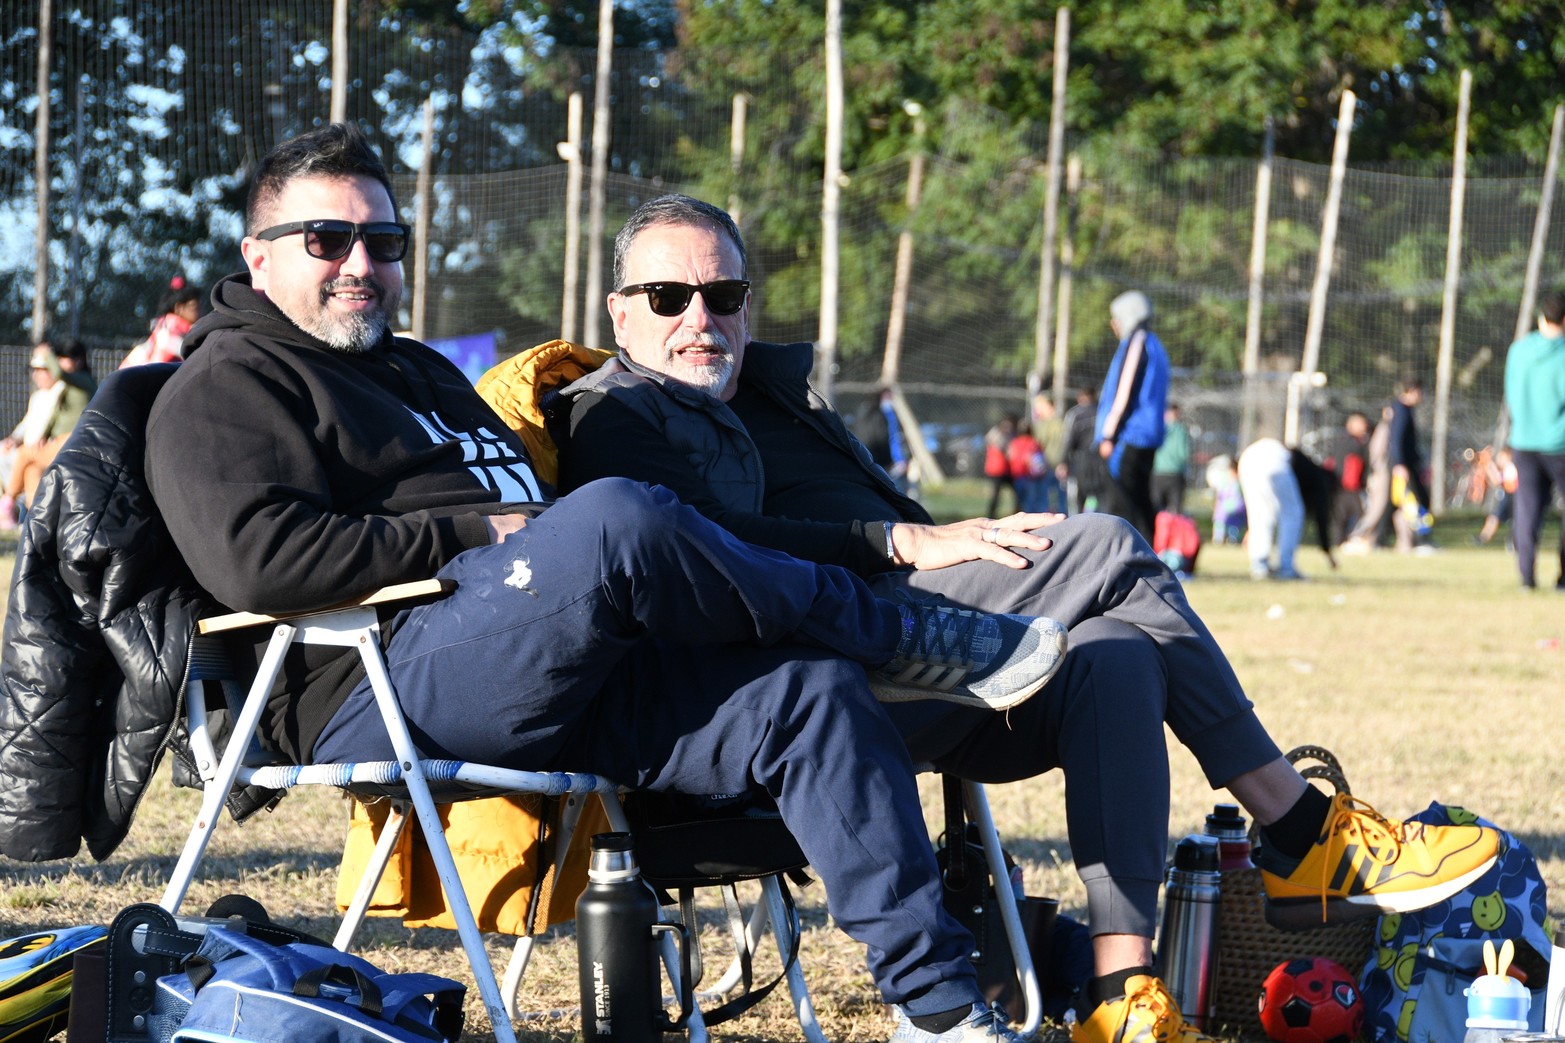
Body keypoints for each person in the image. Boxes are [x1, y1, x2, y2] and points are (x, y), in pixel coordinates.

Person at [141, 125, 1084, 1043]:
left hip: (545, 655)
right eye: (327, 239)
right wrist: (474, 531)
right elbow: (256, 559)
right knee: (616, 512)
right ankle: (892, 631)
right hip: (382, 676)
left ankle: (940, 1008)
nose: (361, 263)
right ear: (257, 255)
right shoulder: (226, 384)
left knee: (809, 692)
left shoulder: (420, 369)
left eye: (383, 242)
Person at [527, 193, 1501, 1043]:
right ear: (620, 311)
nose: (700, 317)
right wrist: (902, 540)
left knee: (1116, 655)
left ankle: (1119, 991)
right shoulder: (615, 414)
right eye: (669, 296)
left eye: (723, 293)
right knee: (1104, 543)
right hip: (802, 669)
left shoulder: (764, 394)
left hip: (906, 664)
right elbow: (702, 547)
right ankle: (1297, 826)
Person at [1501, 289, 1565, 589]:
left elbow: (1511, 394)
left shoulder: (1519, 350)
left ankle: (1526, 578)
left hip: (1524, 442)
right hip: (1560, 444)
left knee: (1526, 510)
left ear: (1542, 317)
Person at [1094, 291, 1169, 543]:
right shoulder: (1155, 344)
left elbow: (1124, 392)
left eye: (1116, 317)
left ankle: (1130, 556)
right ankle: (1147, 554)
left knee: (1122, 505)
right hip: (1146, 436)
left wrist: (1109, 435)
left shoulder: (1137, 343)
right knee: (1140, 500)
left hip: (1129, 436)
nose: (1113, 323)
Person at [0, 338, 97, 527]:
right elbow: (55, 416)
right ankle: (35, 518)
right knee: (32, 470)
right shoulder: (68, 387)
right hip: (58, 441)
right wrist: (44, 435)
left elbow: (59, 373)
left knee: (25, 453)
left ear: (78, 361)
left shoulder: (83, 381)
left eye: (63, 358)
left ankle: (7, 501)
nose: (58, 362)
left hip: (73, 442)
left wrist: (46, 354)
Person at [1236, 438, 1338, 581]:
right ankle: (1286, 568)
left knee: (1260, 514)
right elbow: (1321, 518)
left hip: (1248, 458)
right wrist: (1327, 551)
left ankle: (1259, 565)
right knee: (1293, 514)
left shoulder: (1307, 466)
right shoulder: (1320, 479)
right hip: (1273, 460)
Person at [1342, 402, 1394, 554]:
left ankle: (1372, 540)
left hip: (1367, 480)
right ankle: (1357, 536)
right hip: (1368, 480)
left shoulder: (1369, 436)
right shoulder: (1380, 431)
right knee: (1372, 509)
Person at [121, 277, 201, 367]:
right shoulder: (168, 334)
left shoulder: (165, 328)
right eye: (194, 307)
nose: (200, 311)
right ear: (179, 308)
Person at [857, 385, 915, 497]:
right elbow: (875, 439)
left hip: (893, 462)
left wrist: (902, 459)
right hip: (879, 460)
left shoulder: (891, 414)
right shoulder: (872, 414)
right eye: (887, 396)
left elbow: (895, 438)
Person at [1327, 411, 1371, 545]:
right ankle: (1344, 540)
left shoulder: (1340, 441)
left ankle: (1339, 541)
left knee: (1341, 517)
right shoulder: (1355, 444)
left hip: (1341, 485)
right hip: (1349, 486)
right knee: (1355, 514)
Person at [1061, 386, 1101, 514]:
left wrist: (1063, 462)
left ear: (1080, 397)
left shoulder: (1075, 414)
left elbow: (1068, 440)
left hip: (1080, 461)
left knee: (1077, 497)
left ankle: (1077, 520)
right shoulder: (1102, 412)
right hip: (1100, 461)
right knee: (1095, 494)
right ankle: (1091, 517)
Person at [1149, 402, 1190, 515]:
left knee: (1156, 508)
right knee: (1175, 509)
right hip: (1175, 473)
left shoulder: (1158, 428)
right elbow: (1184, 453)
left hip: (1158, 472)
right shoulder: (1181, 431)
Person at [1030, 393, 1068, 514]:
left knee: (1045, 499)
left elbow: (1038, 444)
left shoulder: (1046, 425)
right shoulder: (1060, 422)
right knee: (1058, 499)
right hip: (1053, 466)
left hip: (1050, 466)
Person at [982, 415, 1019, 516]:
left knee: (1017, 492)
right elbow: (1006, 450)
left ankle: (1016, 512)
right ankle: (991, 515)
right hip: (996, 470)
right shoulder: (997, 434)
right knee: (996, 495)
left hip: (1005, 470)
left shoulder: (1006, 434)